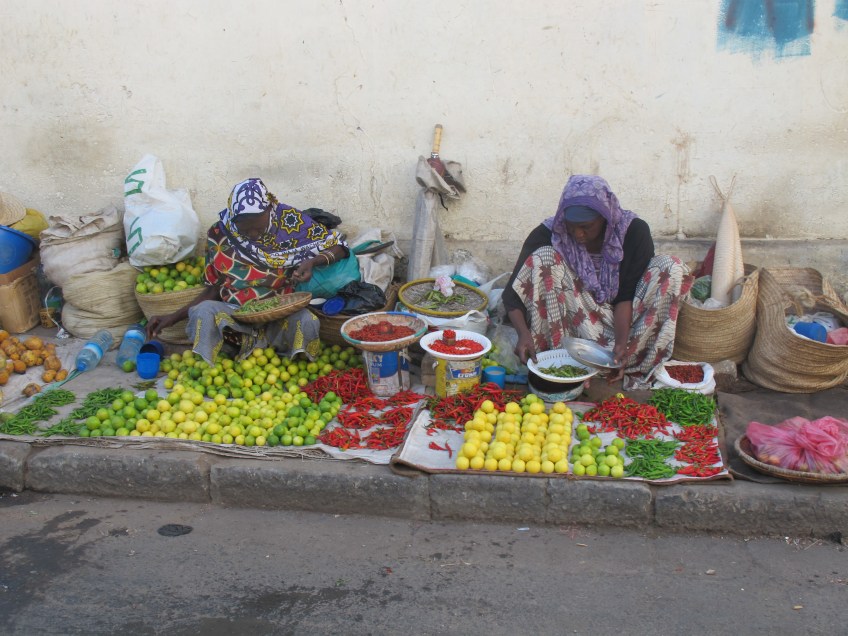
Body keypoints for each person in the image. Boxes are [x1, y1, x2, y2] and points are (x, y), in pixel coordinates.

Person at [502, 174, 692, 390]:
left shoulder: (633, 232)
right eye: (571, 226)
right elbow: (512, 295)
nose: (577, 233)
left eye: (586, 226)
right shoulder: (550, 232)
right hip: (574, 323)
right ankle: (561, 361)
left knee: (671, 267)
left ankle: (625, 360)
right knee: (545, 257)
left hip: (628, 322)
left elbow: (626, 296)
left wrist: (621, 345)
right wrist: (523, 334)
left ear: (605, 217)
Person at [147, 178, 351, 364]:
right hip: (235, 316)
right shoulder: (219, 234)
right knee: (203, 313)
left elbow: (340, 247)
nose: (253, 235)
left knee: (307, 321)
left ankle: (293, 361)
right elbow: (214, 288)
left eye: (259, 229)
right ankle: (215, 362)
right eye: (245, 231)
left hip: (280, 313)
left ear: (270, 210)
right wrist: (172, 317)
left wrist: (312, 262)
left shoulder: (288, 221)